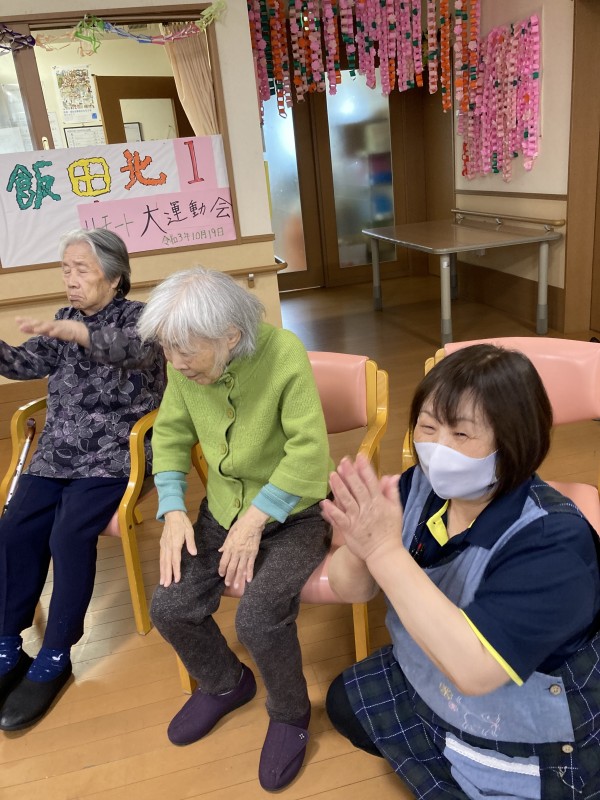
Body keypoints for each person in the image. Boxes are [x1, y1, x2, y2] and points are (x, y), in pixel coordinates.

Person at [321, 344, 600, 800]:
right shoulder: (419, 487)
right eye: (428, 427)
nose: (437, 449)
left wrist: (384, 550)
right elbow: (350, 588)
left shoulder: (554, 541)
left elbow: (475, 671)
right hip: (432, 676)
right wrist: (358, 545)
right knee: (342, 703)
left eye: (462, 433)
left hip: (518, 710)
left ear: (513, 443)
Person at [136, 267, 332, 792]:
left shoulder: (284, 353)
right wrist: (173, 509)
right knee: (170, 607)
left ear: (231, 336)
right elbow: (170, 435)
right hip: (222, 511)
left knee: (258, 619)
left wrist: (257, 516)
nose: (174, 362)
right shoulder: (185, 368)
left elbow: (310, 451)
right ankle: (225, 683)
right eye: (167, 348)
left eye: (184, 350)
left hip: (295, 514)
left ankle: (290, 713)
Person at [0, 228, 165, 731]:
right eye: (65, 270)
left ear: (114, 277)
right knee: (14, 527)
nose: (70, 280)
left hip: (116, 453)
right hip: (57, 453)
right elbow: (25, 362)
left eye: (82, 270)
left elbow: (134, 352)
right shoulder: (65, 317)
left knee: (68, 535)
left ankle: (56, 654)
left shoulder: (141, 319)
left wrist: (80, 335)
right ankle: (7, 642)